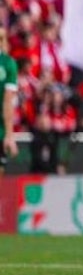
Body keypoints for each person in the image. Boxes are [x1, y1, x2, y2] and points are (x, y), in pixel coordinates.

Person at [0, 27, 19, 171]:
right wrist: (9, 135)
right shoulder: (7, 64)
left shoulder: (7, 64)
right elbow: (7, 101)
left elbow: (8, 101)